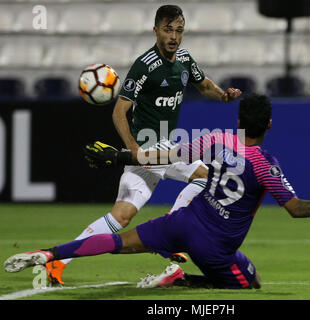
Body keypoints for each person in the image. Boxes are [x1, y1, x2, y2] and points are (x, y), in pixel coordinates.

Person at [5, 93, 310, 290]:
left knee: (118, 241)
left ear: (239, 120)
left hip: (180, 224)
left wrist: (119, 156)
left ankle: (50, 251)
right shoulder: (267, 165)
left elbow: (163, 156)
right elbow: (295, 208)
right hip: (212, 248)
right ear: (270, 124)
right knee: (252, 281)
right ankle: (181, 278)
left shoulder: (217, 139)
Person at [45, 4, 242, 285]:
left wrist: (223, 96)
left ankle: (58, 262)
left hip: (165, 147)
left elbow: (204, 85)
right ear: (155, 31)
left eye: (179, 30)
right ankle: (172, 231)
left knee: (121, 217)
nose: (174, 36)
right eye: (167, 30)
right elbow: (118, 112)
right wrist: (134, 151)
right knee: (206, 178)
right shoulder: (145, 65)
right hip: (150, 147)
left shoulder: (184, 59)